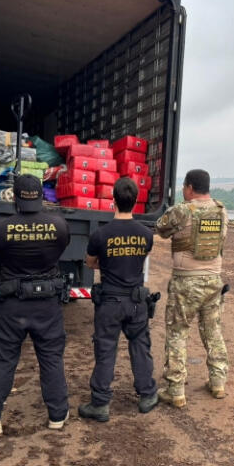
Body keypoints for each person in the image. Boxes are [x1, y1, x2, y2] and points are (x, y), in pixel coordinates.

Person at [0, 174, 71, 435]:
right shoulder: (60, 225)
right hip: (47, 304)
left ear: (14, 197)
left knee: (3, 361)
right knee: (51, 358)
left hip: (12, 305)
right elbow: (62, 247)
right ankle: (57, 416)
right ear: (41, 196)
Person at [78, 177, 158, 422]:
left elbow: (90, 263)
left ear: (113, 200)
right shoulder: (146, 234)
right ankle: (147, 395)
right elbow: (139, 257)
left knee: (105, 350)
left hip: (110, 303)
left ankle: (100, 404)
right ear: (135, 202)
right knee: (140, 347)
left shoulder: (100, 234)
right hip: (136, 303)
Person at [155, 169, 229, 407]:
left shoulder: (182, 210)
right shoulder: (221, 210)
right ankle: (218, 382)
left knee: (177, 332)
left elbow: (161, 229)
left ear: (188, 187)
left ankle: (176, 390)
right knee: (212, 331)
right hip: (214, 280)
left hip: (186, 281)